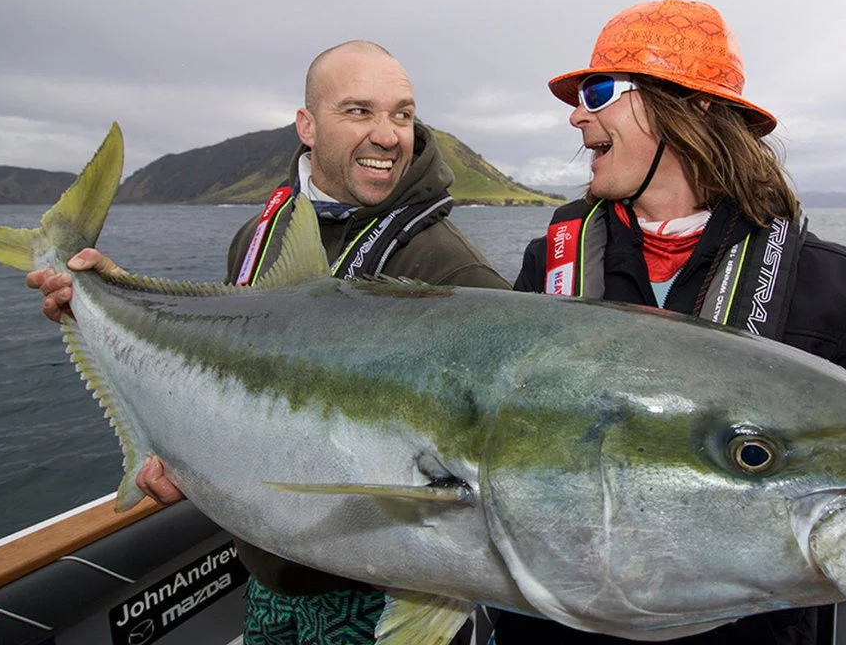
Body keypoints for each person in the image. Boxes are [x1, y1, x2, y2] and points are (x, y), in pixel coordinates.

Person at [27, 40, 510, 645]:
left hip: (380, 600)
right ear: (307, 126)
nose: (388, 135)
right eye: (359, 111)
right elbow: (227, 365)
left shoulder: (452, 272)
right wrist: (110, 298)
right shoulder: (260, 236)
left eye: (402, 114)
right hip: (266, 582)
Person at [498, 0, 846, 644]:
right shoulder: (546, 263)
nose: (577, 114)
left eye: (599, 90)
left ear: (689, 108)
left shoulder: (838, 289)